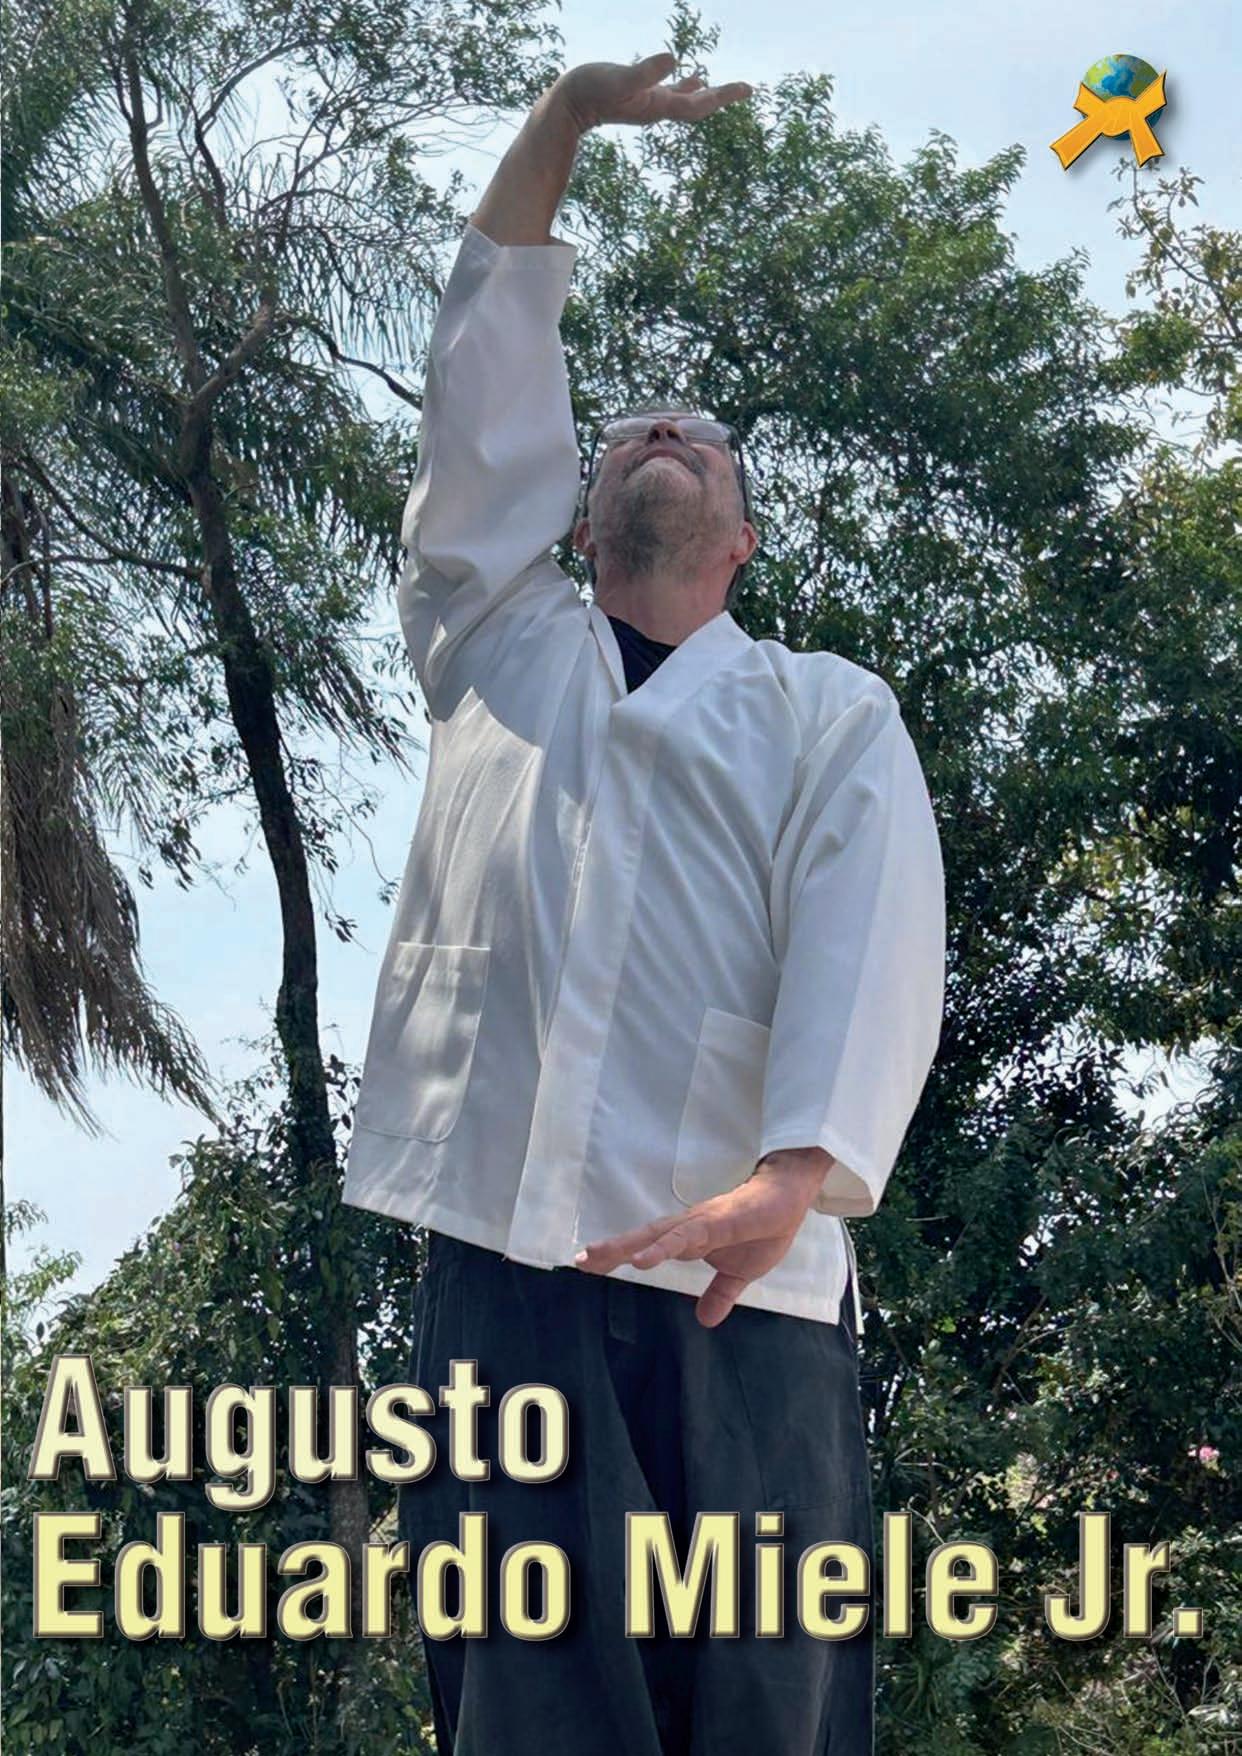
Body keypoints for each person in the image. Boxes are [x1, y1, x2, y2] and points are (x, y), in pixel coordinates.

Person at [342, 50, 947, 1756]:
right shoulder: (490, 638)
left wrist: (794, 1177)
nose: (663, 430)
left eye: (701, 439)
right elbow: (482, 382)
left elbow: (872, 937)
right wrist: (560, 122)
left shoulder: (823, 712)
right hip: (501, 1278)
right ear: (576, 510)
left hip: (739, 1295)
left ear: (741, 540)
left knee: (758, 1706)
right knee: (524, 1707)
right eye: (630, 428)